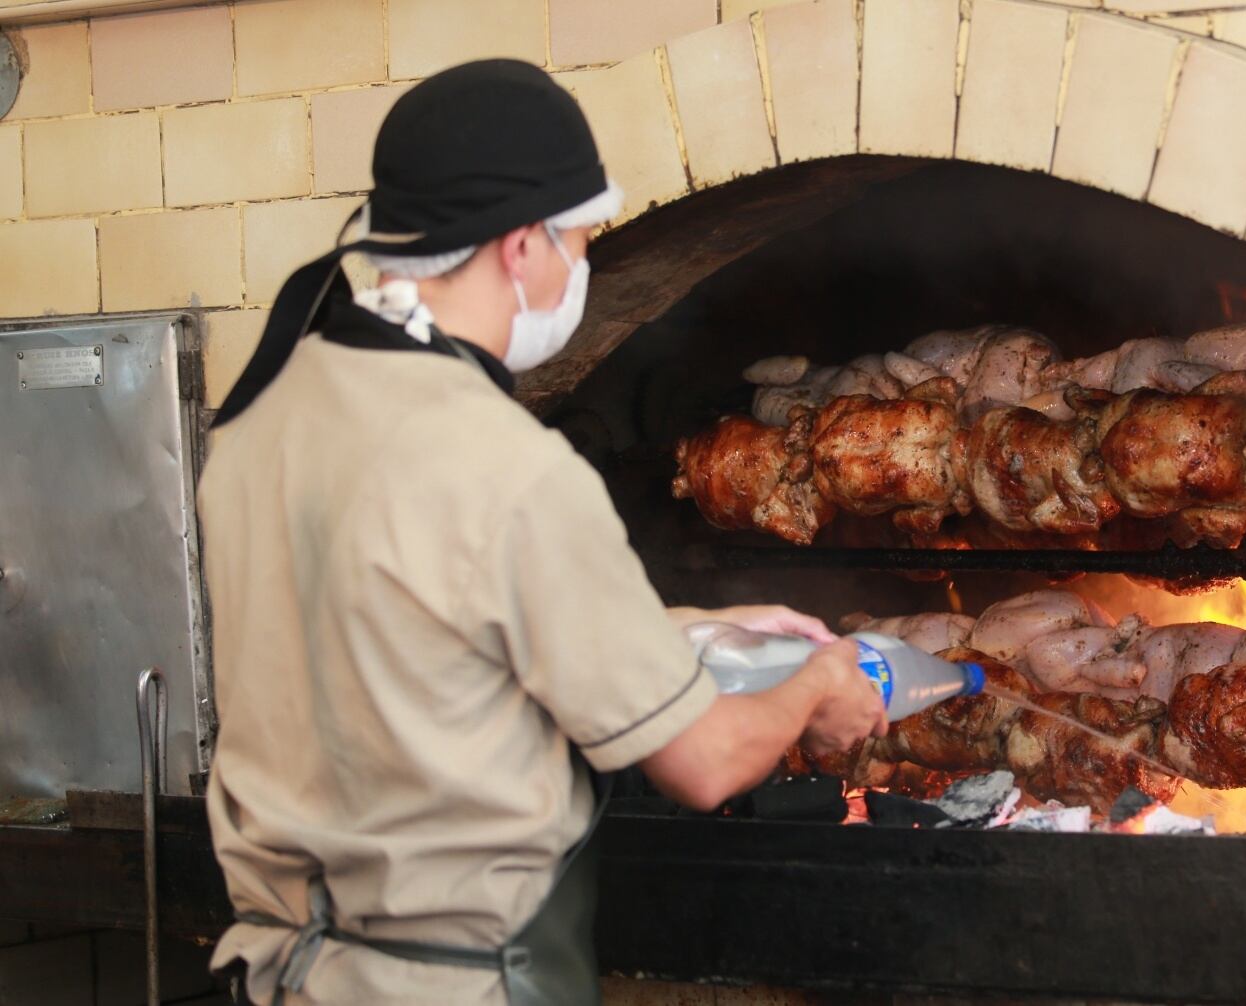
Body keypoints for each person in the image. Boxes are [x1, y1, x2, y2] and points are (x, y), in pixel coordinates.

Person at [199, 59, 887, 1006]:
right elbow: (707, 762)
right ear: (520, 245)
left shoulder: (259, 426)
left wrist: (697, 627)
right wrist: (818, 684)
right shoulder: (504, 466)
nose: (584, 266)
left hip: (282, 972)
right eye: (580, 240)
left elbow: (415, 627)